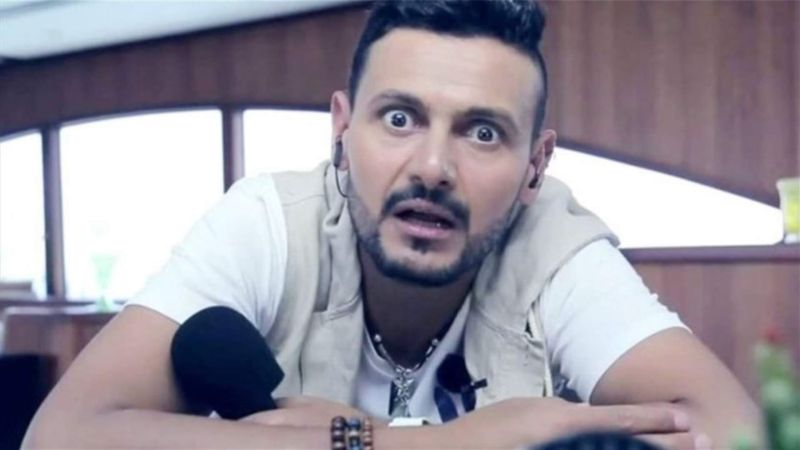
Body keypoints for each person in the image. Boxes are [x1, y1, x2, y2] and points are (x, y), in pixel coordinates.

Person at [24, 1, 758, 449]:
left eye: (482, 133)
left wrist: (345, 441)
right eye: (400, 119)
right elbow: (62, 438)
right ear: (342, 132)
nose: (433, 167)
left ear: (535, 167)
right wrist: (446, 445)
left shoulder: (554, 247)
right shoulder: (270, 224)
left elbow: (735, 434)